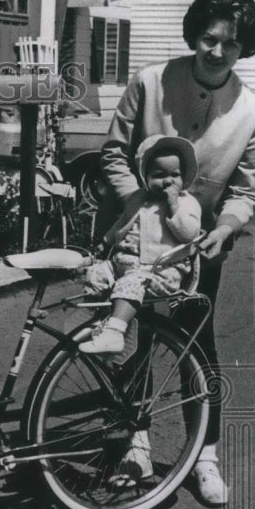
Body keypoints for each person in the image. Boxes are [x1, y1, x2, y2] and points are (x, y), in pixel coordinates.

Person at [98, 0, 255, 505]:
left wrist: (226, 227)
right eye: (208, 38)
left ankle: (205, 456)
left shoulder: (253, 110)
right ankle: (135, 444)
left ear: (245, 48)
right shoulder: (150, 82)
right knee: (135, 341)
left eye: (230, 43)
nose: (216, 51)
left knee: (197, 342)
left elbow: (247, 187)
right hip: (135, 234)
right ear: (195, 34)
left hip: (197, 243)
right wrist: (140, 205)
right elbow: (113, 153)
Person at [81, 134, 202, 355]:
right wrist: (105, 241)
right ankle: (93, 323)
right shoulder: (139, 199)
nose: (168, 181)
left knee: (132, 282)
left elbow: (189, 234)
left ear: (184, 177)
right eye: (159, 175)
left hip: (161, 271)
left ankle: (114, 333)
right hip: (125, 263)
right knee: (96, 274)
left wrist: (173, 206)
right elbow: (123, 223)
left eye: (175, 175)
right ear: (145, 176)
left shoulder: (186, 203)